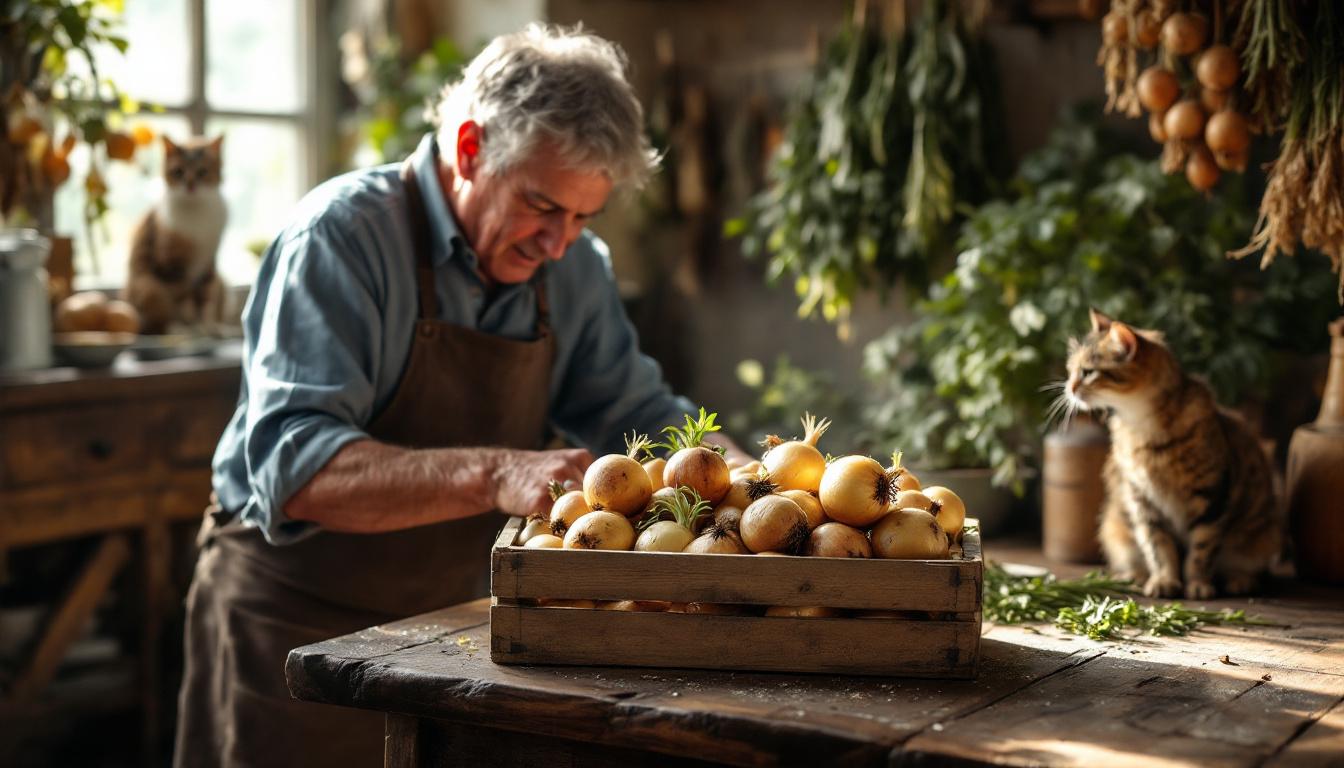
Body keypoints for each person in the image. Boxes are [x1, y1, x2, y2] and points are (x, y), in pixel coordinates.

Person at [173, 23, 746, 768]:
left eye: (584, 217)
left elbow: (637, 413)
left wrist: (747, 483)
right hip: (295, 625)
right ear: (470, 148)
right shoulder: (340, 239)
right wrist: (498, 474)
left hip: (454, 628)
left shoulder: (574, 269)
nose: (560, 244)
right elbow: (298, 467)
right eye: (542, 206)